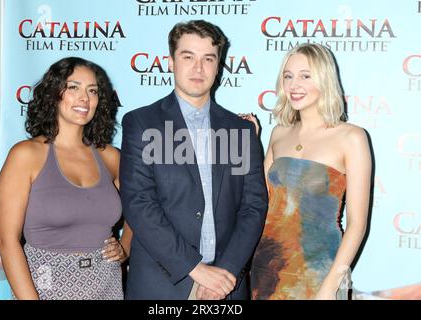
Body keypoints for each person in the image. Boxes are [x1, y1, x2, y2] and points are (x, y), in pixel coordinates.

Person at [120, 20, 268, 300]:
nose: (198, 68)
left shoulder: (241, 131)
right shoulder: (141, 123)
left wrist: (226, 271)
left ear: (219, 66)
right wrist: (195, 269)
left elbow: (253, 206)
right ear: (171, 62)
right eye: (188, 57)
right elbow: (139, 203)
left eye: (208, 59)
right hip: (161, 287)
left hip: (226, 287)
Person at [0, 57, 132, 300]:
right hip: (45, 289)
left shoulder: (110, 157)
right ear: (54, 93)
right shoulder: (26, 155)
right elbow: (6, 241)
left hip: (106, 287)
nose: (84, 98)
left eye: (93, 91)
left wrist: (126, 246)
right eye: (74, 87)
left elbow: (141, 209)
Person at [247, 43, 371, 300]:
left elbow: (357, 224)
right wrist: (248, 145)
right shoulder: (278, 133)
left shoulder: (351, 137)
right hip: (267, 268)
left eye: (305, 75)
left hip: (319, 271)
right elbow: (258, 201)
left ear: (324, 79)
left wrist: (330, 286)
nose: (294, 84)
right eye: (288, 76)